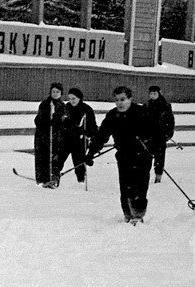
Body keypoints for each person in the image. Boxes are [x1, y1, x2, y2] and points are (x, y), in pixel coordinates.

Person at [87, 86, 160, 224]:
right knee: (125, 187)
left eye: (123, 99)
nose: (119, 103)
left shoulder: (142, 112)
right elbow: (102, 135)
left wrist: (153, 149)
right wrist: (91, 152)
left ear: (130, 99)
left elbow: (156, 134)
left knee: (139, 187)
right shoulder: (112, 115)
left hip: (142, 156)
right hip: (124, 156)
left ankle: (138, 215)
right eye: (117, 100)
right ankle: (127, 214)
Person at [56, 87, 97, 185]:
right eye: (69, 98)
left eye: (73, 98)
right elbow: (61, 123)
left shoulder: (87, 109)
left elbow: (92, 127)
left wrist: (87, 133)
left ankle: (81, 180)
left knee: (78, 162)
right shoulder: (66, 108)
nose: (71, 101)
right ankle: (54, 177)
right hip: (66, 139)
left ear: (79, 98)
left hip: (80, 140)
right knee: (58, 160)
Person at [33, 82, 70, 187]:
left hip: (56, 135)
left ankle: (53, 178)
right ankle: (43, 178)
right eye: (53, 91)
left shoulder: (62, 105)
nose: (55, 93)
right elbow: (39, 120)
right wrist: (48, 122)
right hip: (44, 135)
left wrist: (60, 122)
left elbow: (64, 119)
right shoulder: (45, 104)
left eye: (57, 92)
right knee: (44, 157)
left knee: (55, 157)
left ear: (61, 93)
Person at [146, 85, 176, 184]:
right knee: (146, 157)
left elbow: (170, 121)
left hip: (160, 136)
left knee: (159, 158)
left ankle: (158, 177)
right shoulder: (146, 106)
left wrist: (168, 134)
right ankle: (145, 175)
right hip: (148, 136)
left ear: (159, 93)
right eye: (151, 94)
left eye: (155, 93)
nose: (153, 96)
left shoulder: (165, 106)